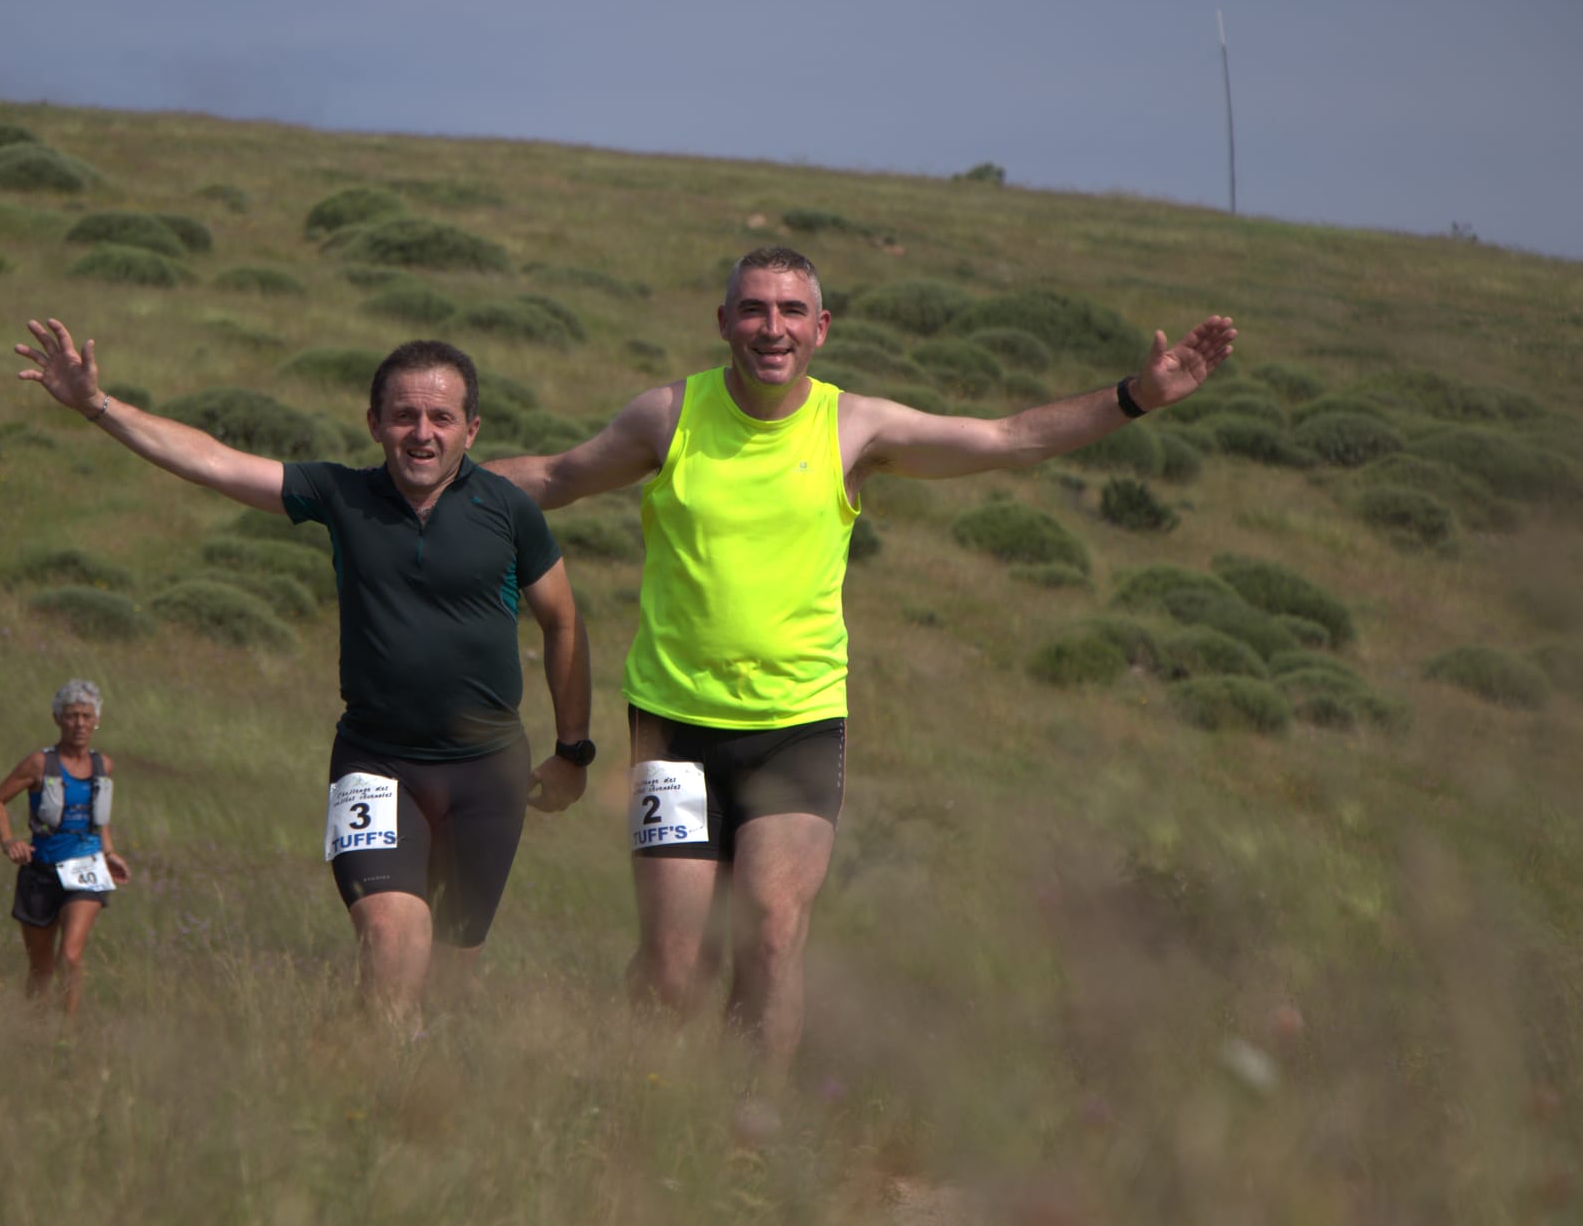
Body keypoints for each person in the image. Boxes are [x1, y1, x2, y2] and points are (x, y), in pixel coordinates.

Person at [486, 245, 1237, 1077]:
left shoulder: (856, 427)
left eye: (791, 311)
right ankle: (624, 1109)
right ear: (724, 322)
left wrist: (1136, 396)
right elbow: (555, 474)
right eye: (754, 309)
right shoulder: (668, 416)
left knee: (771, 932)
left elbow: (1007, 438)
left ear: (821, 328)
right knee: (673, 972)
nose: (772, 328)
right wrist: (415, 482)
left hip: (798, 727)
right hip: (675, 728)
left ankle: (748, 1146)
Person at [12, 322, 592, 1031]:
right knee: (389, 944)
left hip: (488, 774)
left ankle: (409, 1115)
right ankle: (366, 1097)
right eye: (404, 415)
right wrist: (99, 405)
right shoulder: (339, 495)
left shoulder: (509, 510)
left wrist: (573, 750)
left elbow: (563, 622)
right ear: (373, 422)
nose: (422, 432)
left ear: (471, 428)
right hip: (377, 764)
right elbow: (213, 462)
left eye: (441, 417)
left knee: (446, 984)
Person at [0, 678, 131, 1016]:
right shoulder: (40, 763)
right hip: (41, 870)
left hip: (86, 868)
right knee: (40, 968)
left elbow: (99, 816)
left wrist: (108, 853)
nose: (79, 723)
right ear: (57, 719)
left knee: (71, 955)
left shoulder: (102, 765)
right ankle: (35, 1032)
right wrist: (9, 842)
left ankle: (67, 1036)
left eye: (86, 715)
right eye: (71, 715)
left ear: (97, 719)